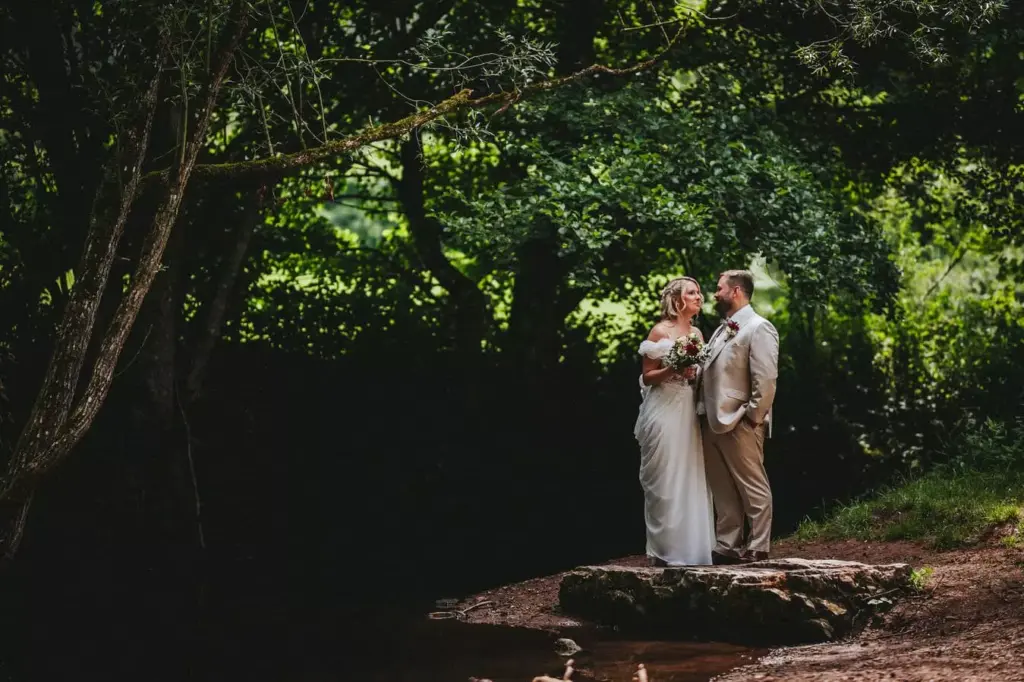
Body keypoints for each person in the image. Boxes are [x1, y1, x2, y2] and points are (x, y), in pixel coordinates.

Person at [697, 269, 780, 565]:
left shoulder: (759, 328)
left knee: (752, 484)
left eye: (719, 288)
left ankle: (759, 544)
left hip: (740, 421)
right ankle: (728, 544)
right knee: (721, 486)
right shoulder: (722, 329)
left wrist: (753, 417)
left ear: (736, 291)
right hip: (710, 418)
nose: (715, 293)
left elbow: (766, 379)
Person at [634, 276, 715, 567]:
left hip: (688, 412)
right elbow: (647, 376)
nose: (699, 297)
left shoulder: (697, 333)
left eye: (699, 293)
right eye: (692, 293)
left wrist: (692, 374)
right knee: (665, 477)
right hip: (665, 412)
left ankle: (691, 550)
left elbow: (701, 374)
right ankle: (664, 551)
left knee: (690, 475)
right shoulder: (660, 331)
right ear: (678, 299)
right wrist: (673, 368)